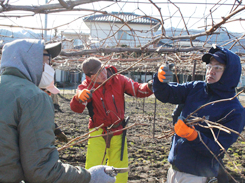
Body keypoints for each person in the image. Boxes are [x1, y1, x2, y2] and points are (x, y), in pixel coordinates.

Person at [0, 39, 116, 183]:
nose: (50, 67)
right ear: (30, 59)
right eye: (48, 60)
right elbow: (42, 171)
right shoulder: (34, 97)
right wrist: (90, 177)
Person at [152, 46, 245, 183]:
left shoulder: (234, 111)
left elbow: (217, 150)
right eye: (209, 67)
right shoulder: (196, 88)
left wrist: (193, 136)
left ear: (230, 73)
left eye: (217, 68)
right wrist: (160, 81)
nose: (211, 71)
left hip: (197, 176)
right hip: (174, 169)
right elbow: (168, 94)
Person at [70, 57, 153, 183]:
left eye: (103, 69)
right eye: (98, 73)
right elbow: (77, 108)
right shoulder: (87, 87)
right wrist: (78, 98)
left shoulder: (118, 79)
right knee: (93, 167)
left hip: (119, 130)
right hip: (98, 132)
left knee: (120, 168)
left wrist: (150, 86)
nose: (103, 74)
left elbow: (137, 89)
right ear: (90, 76)